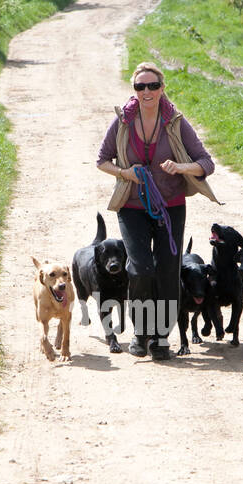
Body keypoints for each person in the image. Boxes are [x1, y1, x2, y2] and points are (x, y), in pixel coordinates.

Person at [95, 62, 220, 360]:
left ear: (162, 88)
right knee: (140, 269)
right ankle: (141, 333)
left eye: (153, 86)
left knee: (167, 272)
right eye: (141, 86)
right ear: (134, 90)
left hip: (171, 207)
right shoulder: (123, 122)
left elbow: (206, 162)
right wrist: (127, 174)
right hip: (132, 207)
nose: (147, 91)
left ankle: (161, 338)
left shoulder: (175, 122)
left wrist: (180, 167)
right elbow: (102, 160)